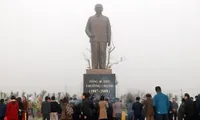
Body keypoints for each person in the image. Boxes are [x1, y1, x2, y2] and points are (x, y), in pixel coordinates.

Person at [85, 4, 111, 69]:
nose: (98, 9)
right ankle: (94, 68)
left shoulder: (106, 19)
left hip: (103, 40)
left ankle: (103, 68)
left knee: (103, 54)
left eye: (99, 8)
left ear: (102, 9)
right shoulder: (91, 19)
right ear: (95, 9)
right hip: (94, 40)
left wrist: (109, 40)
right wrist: (90, 34)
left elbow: (109, 30)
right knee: (94, 54)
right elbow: (86, 29)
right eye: (97, 8)